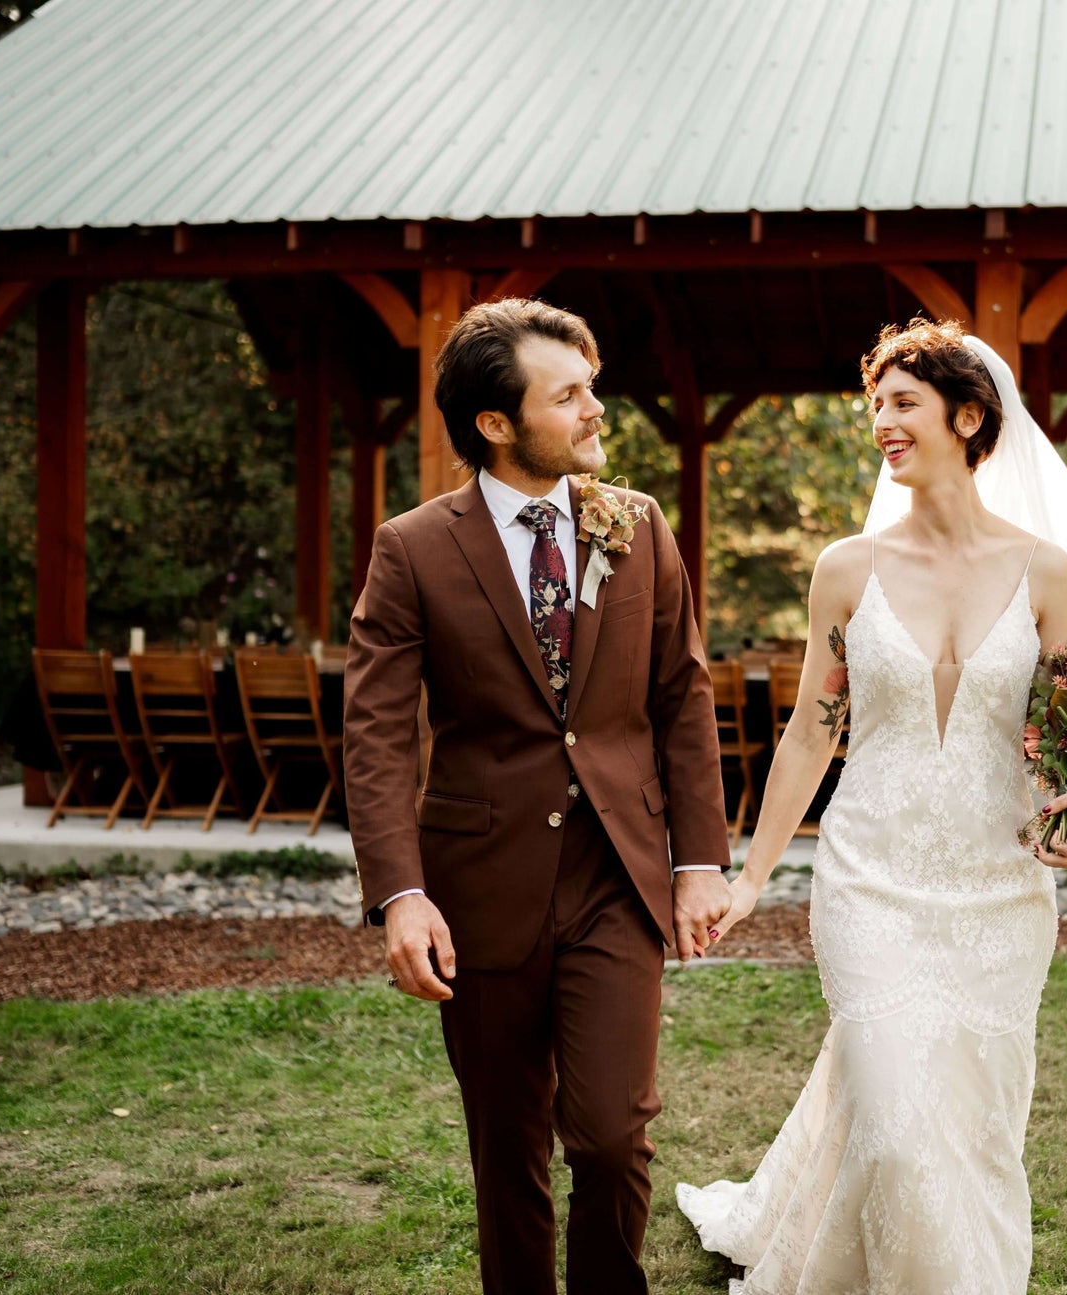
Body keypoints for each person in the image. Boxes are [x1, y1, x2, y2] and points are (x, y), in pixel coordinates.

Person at [676, 318, 1067, 1292]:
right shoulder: (845, 569)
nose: (881, 423)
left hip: (999, 886)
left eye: (903, 402)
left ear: (968, 417)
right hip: (870, 878)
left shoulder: (1045, 571)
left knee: (971, 1123)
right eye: (875, 405)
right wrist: (750, 874)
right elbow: (811, 733)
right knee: (896, 1126)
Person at [342, 297, 733, 1295]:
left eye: (590, 386)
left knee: (610, 1133)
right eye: (567, 395)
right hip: (479, 886)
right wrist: (400, 893)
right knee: (506, 1143)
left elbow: (682, 697)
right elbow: (377, 734)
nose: (595, 409)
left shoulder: (637, 525)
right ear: (496, 422)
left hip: (617, 877)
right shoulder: (412, 548)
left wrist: (698, 860)